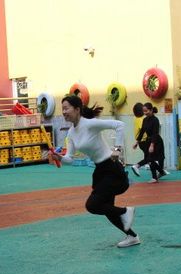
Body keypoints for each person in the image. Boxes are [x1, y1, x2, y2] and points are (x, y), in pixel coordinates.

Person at [49, 94, 139, 248]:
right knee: (107, 209)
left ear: (77, 109)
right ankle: (132, 236)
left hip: (112, 168)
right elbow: (70, 158)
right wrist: (59, 157)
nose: (63, 112)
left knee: (92, 205)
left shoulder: (90, 124)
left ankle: (125, 211)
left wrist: (117, 149)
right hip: (100, 171)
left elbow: (120, 125)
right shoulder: (71, 133)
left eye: (66, 108)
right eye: (62, 109)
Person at [131, 103, 165, 183]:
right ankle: (157, 175)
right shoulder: (145, 120)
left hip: (156, 141)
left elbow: (155, 133)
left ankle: (137, 165)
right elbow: (142, 131)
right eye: (144, 111)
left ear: (151, 110)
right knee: (150, 159)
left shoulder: (155, 120)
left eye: (146, 111)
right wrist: (137, 142)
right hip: (148, 140)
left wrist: (152, 145)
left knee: (151, 158)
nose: (145, 113)